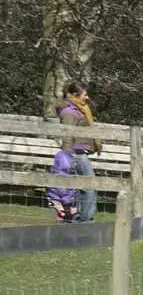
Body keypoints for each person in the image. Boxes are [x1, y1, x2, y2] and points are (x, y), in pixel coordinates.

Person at [55, 81, 98, 222]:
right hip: (76, 154)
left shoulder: (80, 109)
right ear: (75, 94)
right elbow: (67, 134)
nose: (87, 97)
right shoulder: (69, 112)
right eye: (84, 94)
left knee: (82, 188)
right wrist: (69, 155)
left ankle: (78, 218)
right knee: (90, 186)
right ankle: (85, 220)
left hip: (81, 152)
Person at [46, 147, 79, 222]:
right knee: (66, 215)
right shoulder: (68, 176)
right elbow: (64, 191)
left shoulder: (54, 172)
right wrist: (72, 198)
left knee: (61, 214)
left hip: (56, 199)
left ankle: (59, 226)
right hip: (65, 201)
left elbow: (52, 189)